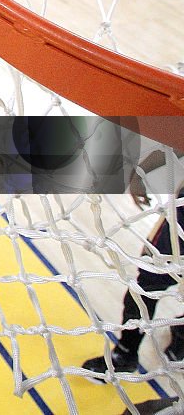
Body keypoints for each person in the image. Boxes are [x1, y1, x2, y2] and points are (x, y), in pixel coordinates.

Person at [81, 147, 184, 376]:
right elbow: (176, 140)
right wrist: (140, 173)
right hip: (181, 222)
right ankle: (125, 353)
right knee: (146, 286)